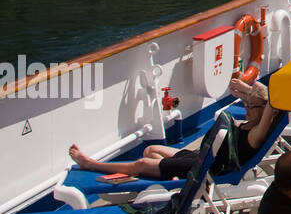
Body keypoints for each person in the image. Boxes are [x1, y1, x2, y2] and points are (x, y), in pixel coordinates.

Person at [70, 77, 280, 181]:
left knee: (143, 162)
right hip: (203, 155)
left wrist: (262, 98)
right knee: (151, 151)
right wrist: (248, 91)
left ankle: (91, 165)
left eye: (251, 106)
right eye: (246, 104)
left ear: (263, 110)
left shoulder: (256, 134)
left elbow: (270, 103)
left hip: (206, 168)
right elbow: (237, 89)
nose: (246, 107)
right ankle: (153, 174)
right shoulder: (254, 118)